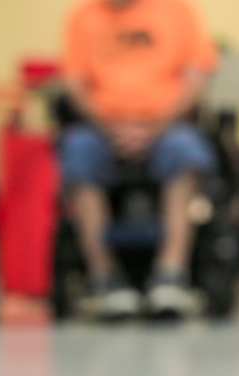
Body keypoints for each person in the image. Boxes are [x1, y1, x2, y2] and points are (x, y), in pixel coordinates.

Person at [62, 0, 219, 318]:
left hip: (167, 127)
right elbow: (75, 84)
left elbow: (195, 78)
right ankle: (104, 276)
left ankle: (170, 272)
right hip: (101, 129)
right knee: (77, 151)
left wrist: (154, 125)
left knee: (188, 151)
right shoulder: (82, 16)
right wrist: (111, 126)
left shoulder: (178, 10)